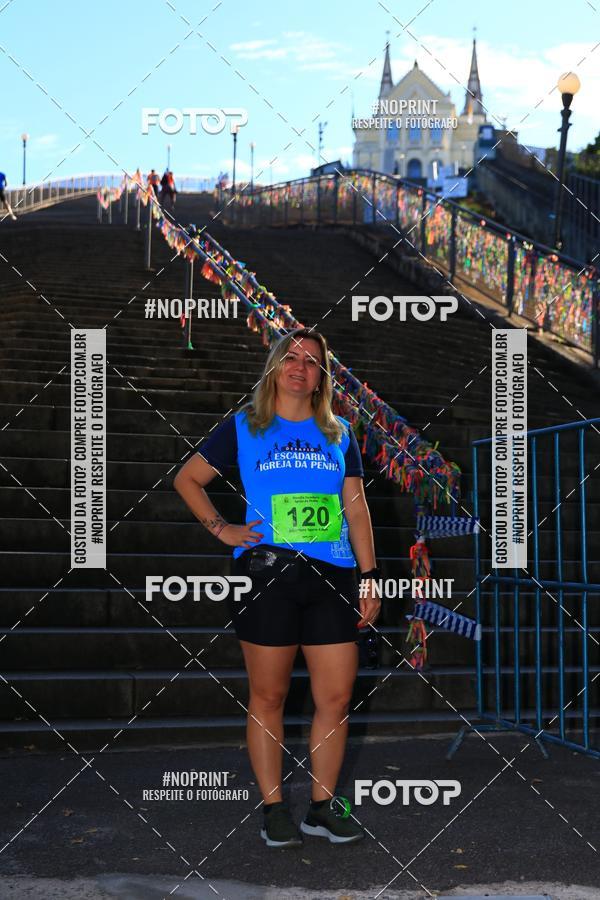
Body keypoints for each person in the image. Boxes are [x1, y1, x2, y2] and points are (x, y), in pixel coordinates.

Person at [174, 327, 381, 849]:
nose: (299, 366)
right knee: (269, 695)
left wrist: (371, 574)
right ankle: (272, 809)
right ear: (274, 367)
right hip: (268, 575)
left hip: (332, 575)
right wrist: (223, 529)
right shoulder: (245, 425)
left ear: (320, 377)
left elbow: (356, 507)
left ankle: (321, 807)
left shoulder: (339, 433)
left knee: (335, 697)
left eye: (311, 361)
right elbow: (187, 479)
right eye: (290, 357)